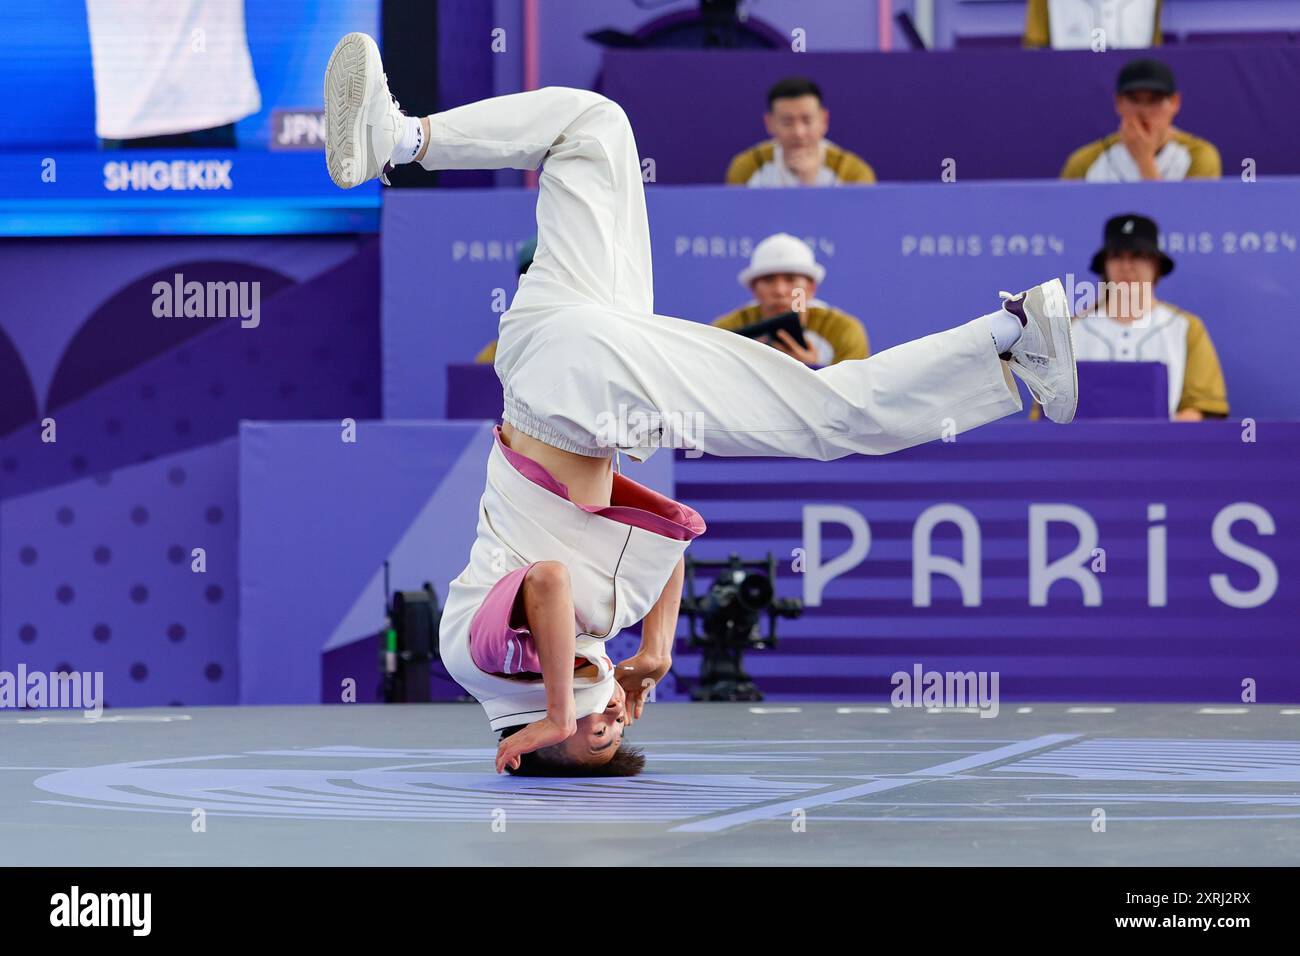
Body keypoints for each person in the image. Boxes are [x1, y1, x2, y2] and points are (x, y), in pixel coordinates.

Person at [324, 32, 1078, 776]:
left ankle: (1011, 337)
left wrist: (560, 708)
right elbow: (673, 540)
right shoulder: (596, 628)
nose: (611, 720)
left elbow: (547, 583)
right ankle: (399, 137)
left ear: (524, 746)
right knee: (594, 127)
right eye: (617, 734)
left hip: (572, 393)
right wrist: (654, 648)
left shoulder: (486, 667)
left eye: (594, 736)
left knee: (833, 415)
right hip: (558, 343)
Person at [1073, 214, 1228, 420]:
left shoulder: (1185, 327)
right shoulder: (1072, 329)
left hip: (1165, 449)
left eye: (1138, 255)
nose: (1126, 267)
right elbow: (1047, 411)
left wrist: (1161, 437)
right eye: (1117, 255)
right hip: (1084, 448)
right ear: (1104, 265)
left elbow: (1203, 406)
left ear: (1157, 265)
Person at [713, 233, 868, 366]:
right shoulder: (724, 331)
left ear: (811, 288)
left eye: (791, 279)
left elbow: (852, 397)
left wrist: (812, 370)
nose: (780, 291)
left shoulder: (844, 331)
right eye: (768, 280)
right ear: (754, 289)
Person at [1061, 58, 1221, 182]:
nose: (1144, 111)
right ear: (1118, 103)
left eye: (1154, 100)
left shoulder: (1199, 156)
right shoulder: (1084, 162)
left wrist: (1145, 160)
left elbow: (1187, 221)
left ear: (1174, 103)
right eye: (1134, 99)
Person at [725, 77, 875, 187]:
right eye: (787, 122)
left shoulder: (852, 172)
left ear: (824, 120)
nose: (798, 133)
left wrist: (808, 182)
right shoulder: (747, 167)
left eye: (807, 121)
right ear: (769, 123)